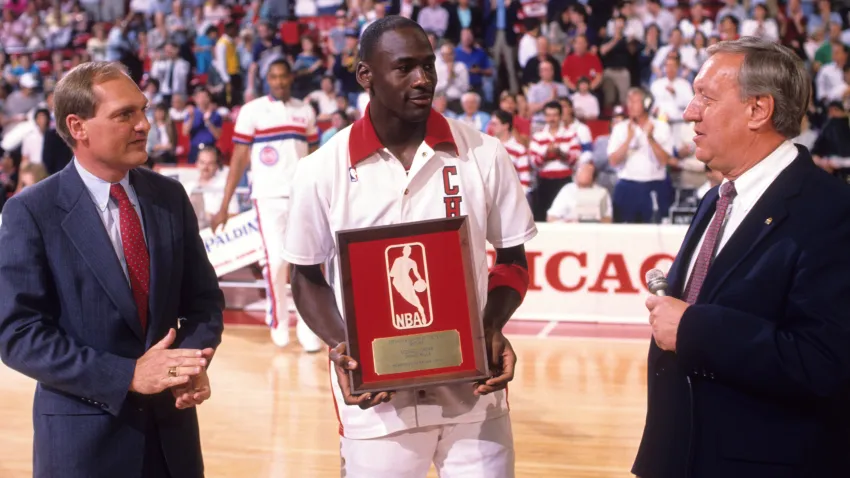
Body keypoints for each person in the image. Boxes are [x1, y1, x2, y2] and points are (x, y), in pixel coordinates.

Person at [282, 15, 536, 478]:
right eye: (404, 68)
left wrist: (491, 326)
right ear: (366, 75)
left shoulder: (484, 153)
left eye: (429, 66)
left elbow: (513, 262)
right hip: (376, 407)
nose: (423, 81)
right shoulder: (321, 169)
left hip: (474, 396)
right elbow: (306, 276)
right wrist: (343, 347)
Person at [634, 37, 850, 478]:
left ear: (759, 110)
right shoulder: (716, 197)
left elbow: (824, 363)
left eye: (706, 98)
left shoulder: (832, 211)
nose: (689, 111)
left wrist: (693, 328)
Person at [0, 62, 224, 478]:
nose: (144, 125)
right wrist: (127, 376)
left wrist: (190, 364)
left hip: (172, 442)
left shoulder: (169, 196)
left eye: (143, 110)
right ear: (78, 126)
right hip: (82, 446)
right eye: (125, 115)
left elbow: (205, 303)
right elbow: (18, 334)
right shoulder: (31, 211)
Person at [211, 58, 322, 352]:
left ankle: (308, 327)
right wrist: (224, 204)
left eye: (283, 76)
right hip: (267, 197)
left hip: (302, 196)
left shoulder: (305, 111)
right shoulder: (252, 111)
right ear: (267, 80)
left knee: (305, 262)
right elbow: (238, 159)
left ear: (290, 78)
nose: (279, 81)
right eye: (273, 76)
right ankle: (279, 322)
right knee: (276, 262)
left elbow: (315, 157)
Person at [607, 87, 674, 223]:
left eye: (635, 101)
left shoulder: (661, 127)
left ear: (646, 104)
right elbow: (613, 161)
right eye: (629, 101)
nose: (630, 105)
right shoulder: (620, 128)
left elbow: (665, 161)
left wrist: (650, 138)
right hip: (627, 186)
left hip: (654, 185)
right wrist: (628, 139)